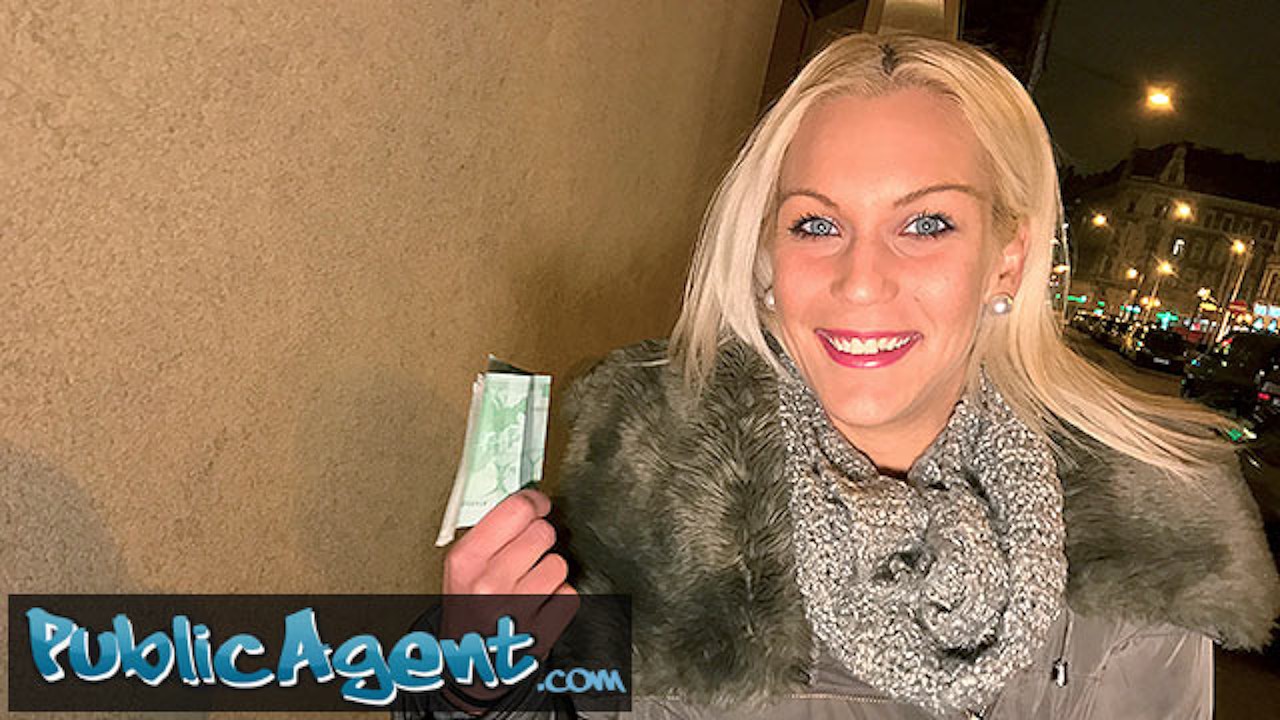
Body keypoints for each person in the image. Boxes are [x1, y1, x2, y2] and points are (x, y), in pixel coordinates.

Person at [412, 31, 1280, 719]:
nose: (861, 282)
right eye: (817, 225)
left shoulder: (1144, 543)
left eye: (927, 224)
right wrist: (474, 683)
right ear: (767, 256)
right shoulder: (643, 481)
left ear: (1008, 258)